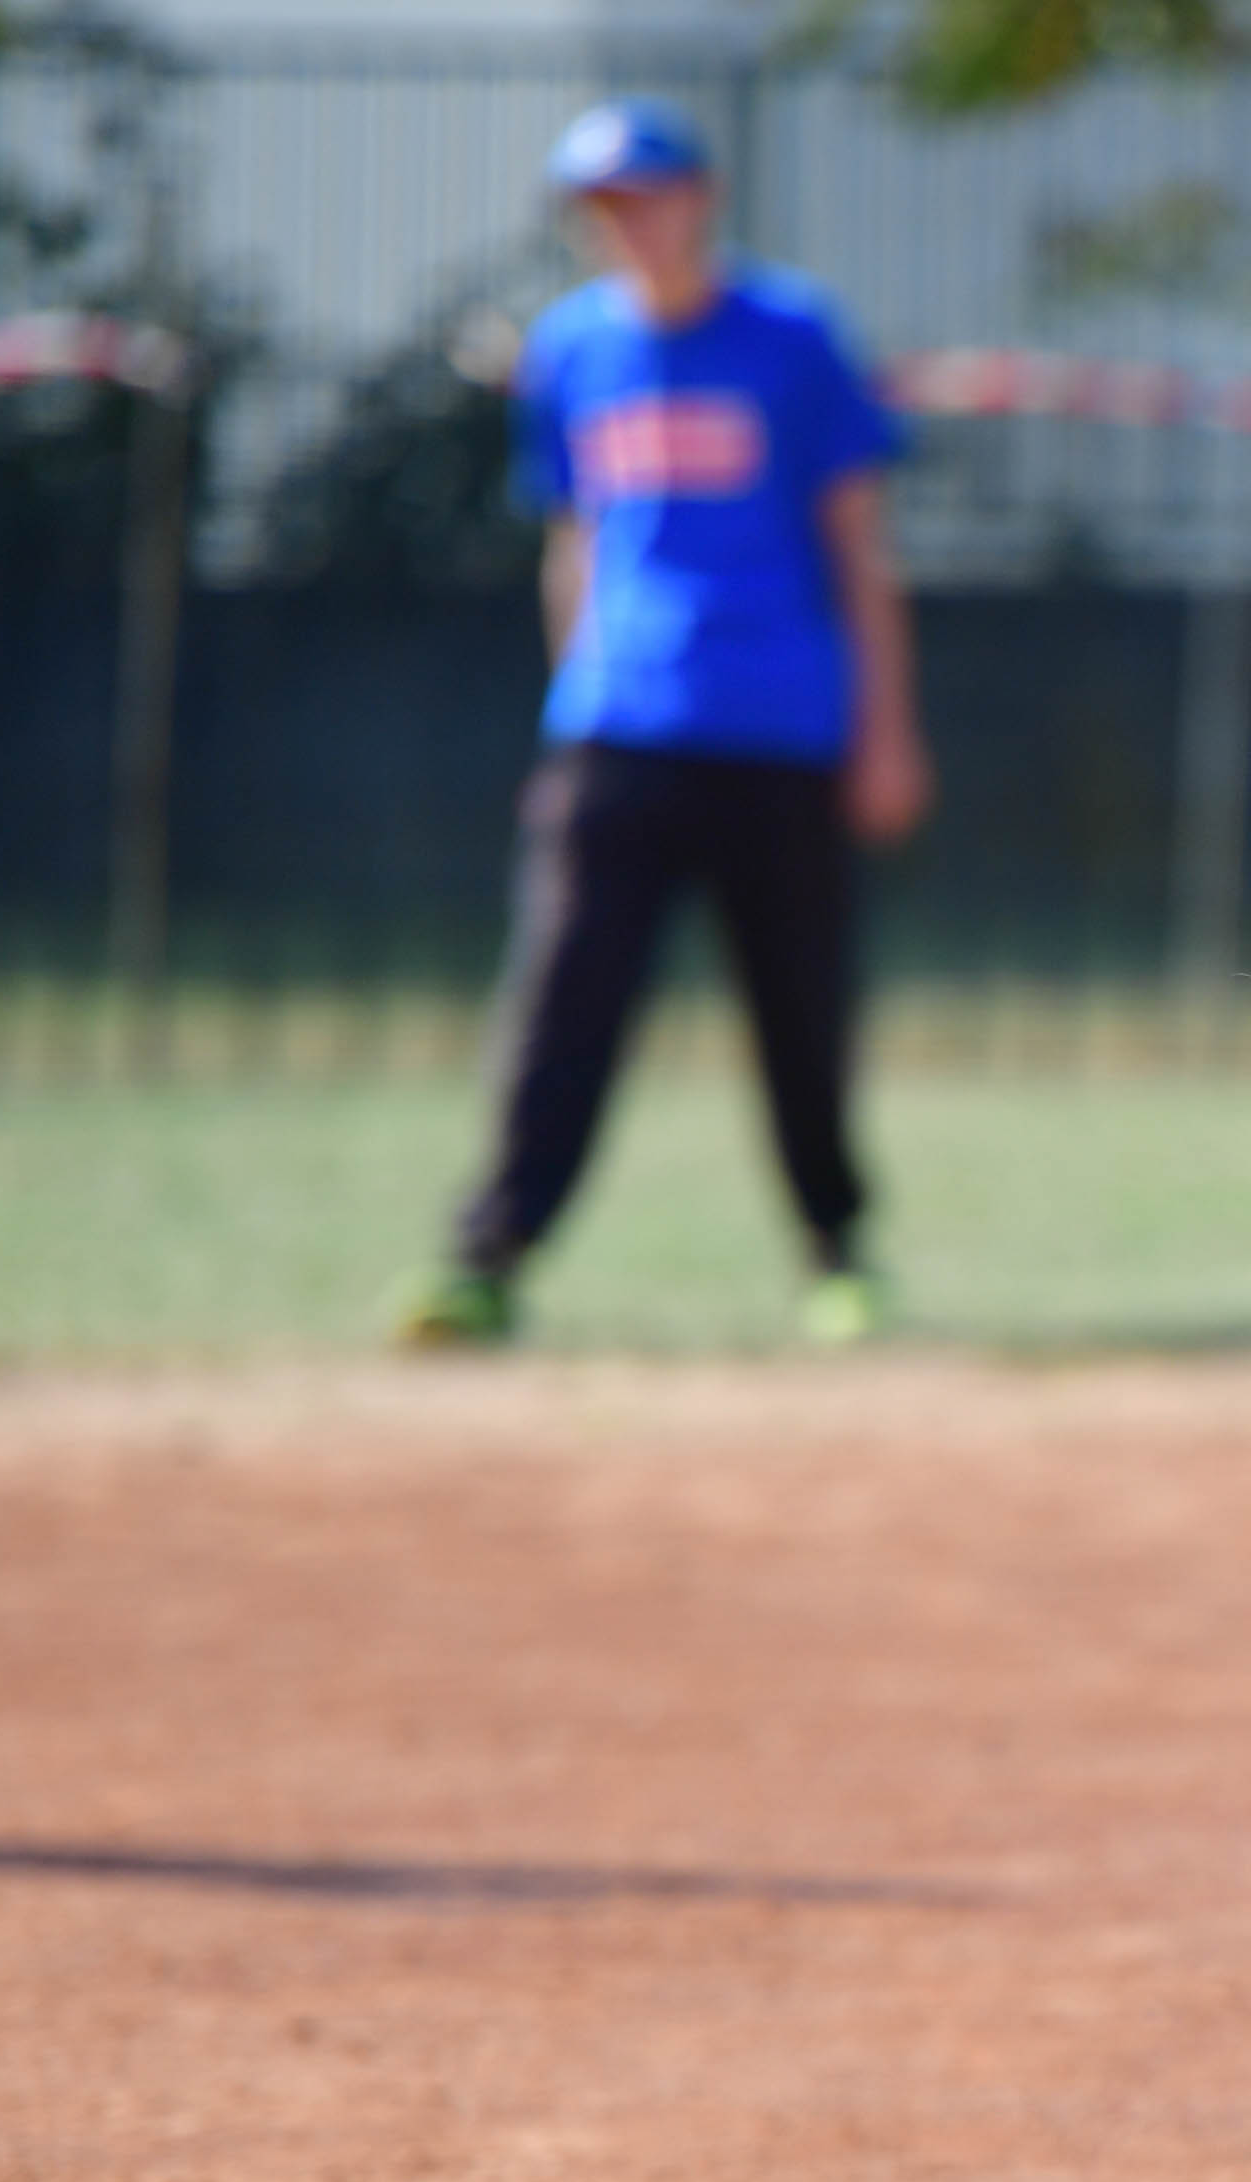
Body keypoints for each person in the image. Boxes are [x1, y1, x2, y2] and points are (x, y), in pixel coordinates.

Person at [397, 99, 933, 1351]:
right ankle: (489, 1259)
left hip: (781, 726)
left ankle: (837, 1253)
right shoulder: (573, 347)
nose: (627, 222)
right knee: (561, 1006)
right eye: (602, 204)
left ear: (702, 198)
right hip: (618, 728)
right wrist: (566, 707)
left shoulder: (793, 337)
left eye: (645, 195)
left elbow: (860, 552)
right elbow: (573, 543)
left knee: (801, 1012)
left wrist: (886, 732)